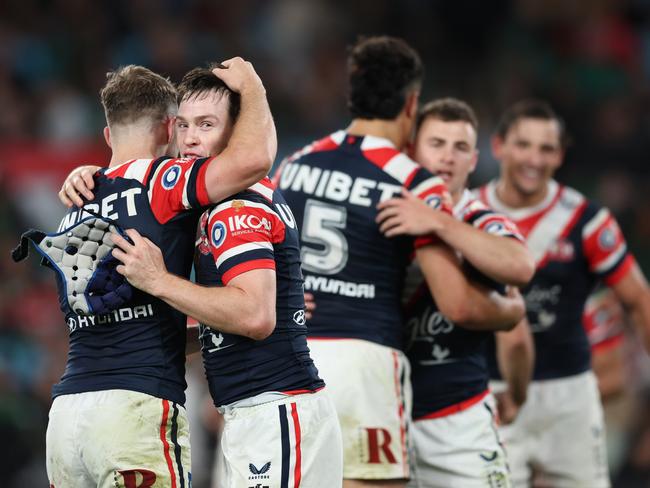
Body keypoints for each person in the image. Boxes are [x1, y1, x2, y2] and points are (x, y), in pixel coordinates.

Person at [61, 66, 343, 487]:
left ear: (236, 134)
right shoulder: (213, 206)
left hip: (273, 409)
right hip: (258, 414)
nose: (190, 138)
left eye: (207, 125)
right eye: (184, 126)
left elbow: (253, 317)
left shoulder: (235, 208)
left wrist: (159, 281)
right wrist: (95, 177)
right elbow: (239, 319)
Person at [273, 36, 525, 487]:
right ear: (411, 104)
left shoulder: (293, 164)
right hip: (365, 358)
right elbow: (459, 305)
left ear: (351, 93)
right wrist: (509, 313)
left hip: (291, 357)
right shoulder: (413, 183)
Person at [475, 99, 650, 487]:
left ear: (561, 155)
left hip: (569, 394)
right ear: (499, 146)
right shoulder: (467, 213)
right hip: (489, 393)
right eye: (523, 145)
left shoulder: (587, 220)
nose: (534, 159)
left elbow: (638, 299)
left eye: (546, 148)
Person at [375, 97, 535, 487]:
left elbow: (521, 265)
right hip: (380, 415)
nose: (448, 157)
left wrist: (439, 223)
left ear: (475, 160)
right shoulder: (373, 211)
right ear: (411, 150)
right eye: (437, 144)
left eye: (460, 147)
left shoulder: (482, 221)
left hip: (458, 417)